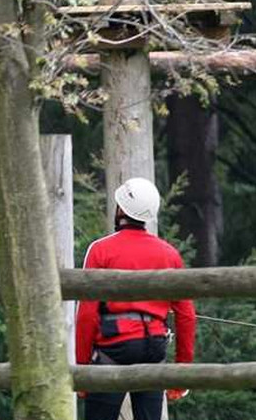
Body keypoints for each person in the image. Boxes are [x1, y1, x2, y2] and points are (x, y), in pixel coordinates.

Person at [76, 178, 196, 420]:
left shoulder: (100, 250)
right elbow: (186, 316)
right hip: (154, 349)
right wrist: (182, 372)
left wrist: (83, 370)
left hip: (114, 347)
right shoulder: (170, 254)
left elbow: (87, 315)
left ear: (121, 209)